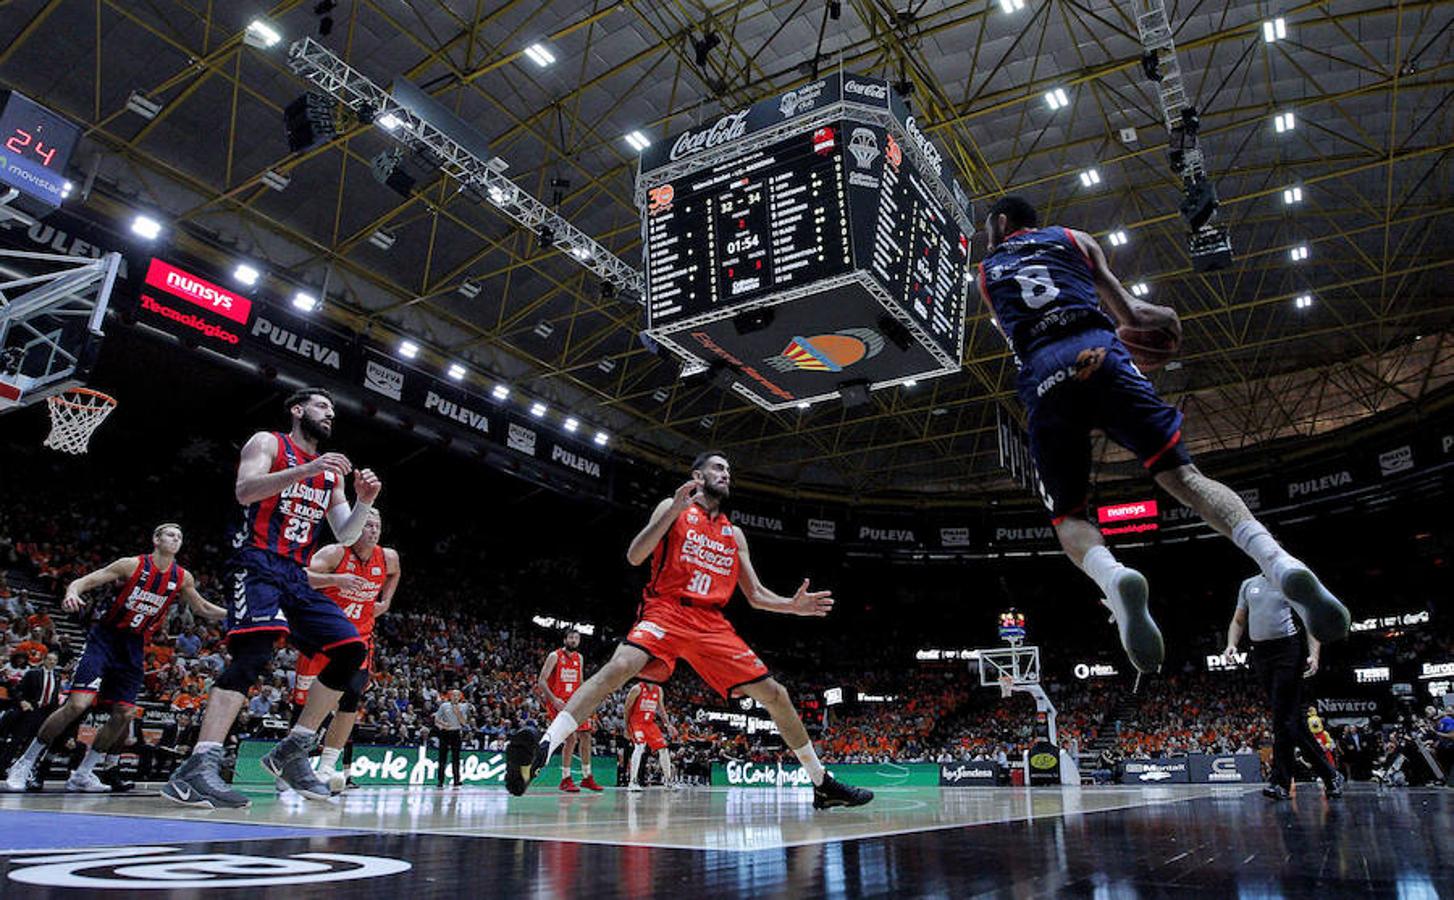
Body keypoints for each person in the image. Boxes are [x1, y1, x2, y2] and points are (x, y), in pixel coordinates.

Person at [979, 196, 1351, 672]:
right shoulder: (1077, 239)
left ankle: (1114, 580)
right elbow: (1134, 315)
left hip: (1044, 372)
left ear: (1003, 223)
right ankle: (1279, 563)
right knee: (1184, 478)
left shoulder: (989, 273)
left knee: (1069, 518)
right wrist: (1166, 325)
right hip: (1103, 353)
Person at [506, 450, 873, 810]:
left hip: (711, 623)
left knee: (776, 695)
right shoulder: (672, 508)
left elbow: (757, 595)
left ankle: (822, 784)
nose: (726, 473)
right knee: (619, 667)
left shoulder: (735, 534)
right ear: (697, 476)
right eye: (717, 467)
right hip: (666, 609)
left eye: (729, 469)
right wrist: (672, 513)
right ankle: (542, 750)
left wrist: (791, 606)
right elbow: (635, 555)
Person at [162, 387, 381, 809]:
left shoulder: (331, 473)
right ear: (298, 411)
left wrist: (363, 502)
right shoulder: (268, 442)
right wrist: (305, 469)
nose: (330, 413)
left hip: (297, 574)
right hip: (256, 561)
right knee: (254, 652)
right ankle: (198, 765)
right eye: (322, 406)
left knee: (351, 651)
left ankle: (291, 751)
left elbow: (346, 534)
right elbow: (245, 491)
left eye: (333, 409)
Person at [5, 524, 225, 793]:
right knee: (77, 705)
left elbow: (202, 607)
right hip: (105, 638)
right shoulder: (132, 565)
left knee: (124, 713)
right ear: (156, 539)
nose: (176, 539)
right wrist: (73, 592)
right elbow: (84, 581)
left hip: (133, 645)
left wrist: (233, 615)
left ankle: (84, 773)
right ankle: (24, 763)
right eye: (170, 534)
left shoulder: (182, 577)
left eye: (180, 536)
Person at [293, 507, 400, 792]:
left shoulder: (387, 556)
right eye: (367, 525)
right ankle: (291, 762)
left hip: (360, 637)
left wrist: (386, 601)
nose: (373, 530)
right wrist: (335, 580)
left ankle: (327, 766)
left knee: (350, 700)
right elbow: (301, 576)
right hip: (325, 637)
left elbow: (395, 573)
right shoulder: (334, 553)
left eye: (377, 525)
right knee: (305, 704)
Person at [1222, 575, 1343, 800]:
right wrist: (1231, 644)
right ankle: (1330, 775)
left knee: (1282, 719)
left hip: (1288, 649)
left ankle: (1281, 782)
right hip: (1260, 653)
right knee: (1291, 721)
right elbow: (1238, 620)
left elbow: (1309, 620)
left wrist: (1313, 655)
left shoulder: (1290, 582)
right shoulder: (1248, 584)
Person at [537, 629, 602, 793]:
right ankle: (565, 778)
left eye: (576, 638)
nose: (574, 640)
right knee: (571, 738)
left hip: (575, 701)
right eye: (571, 638)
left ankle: (587, 777)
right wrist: (553, 700)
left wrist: (586, 704)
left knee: (586, 735)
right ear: (565, 639)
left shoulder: (579, 658)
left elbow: (580, 683)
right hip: (559, 703)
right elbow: (541, 681)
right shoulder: (555, 656)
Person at [0, 652, 61, 786]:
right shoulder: (33, 673)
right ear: (44, 660)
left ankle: (21, 769)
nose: (52, 662)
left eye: (54, 660)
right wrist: (22, 701)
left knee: (32, 742)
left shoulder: (57, 677)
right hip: (31, 710)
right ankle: (3, 767)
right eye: (49, 659)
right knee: (17, 739)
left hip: (45, 713)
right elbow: (17, 689)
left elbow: (54, 697)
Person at [623, 680, 676, 791]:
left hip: (650, 724)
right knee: (639, 747)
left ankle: (668, 781)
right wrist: (626, 727)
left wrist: (668, 725)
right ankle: (632, 781)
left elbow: (661, 709)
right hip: (636, 722)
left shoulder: (658, 689)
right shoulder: (637, 689)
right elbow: (627, 709)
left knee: (663, 749)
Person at [433, 690, 470, 788]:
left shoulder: (463, 707)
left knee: (456, 758)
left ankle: (456, 780)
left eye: (458, 695)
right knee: (442, 758)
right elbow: (436, 719)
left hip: (456, 733)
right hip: (445, 733)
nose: (456, 697)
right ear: (450, 696)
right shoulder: (444, 706)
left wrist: (458, 713)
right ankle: (440, 780)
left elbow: (464, 722)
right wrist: (443, 725)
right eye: (454, 695)